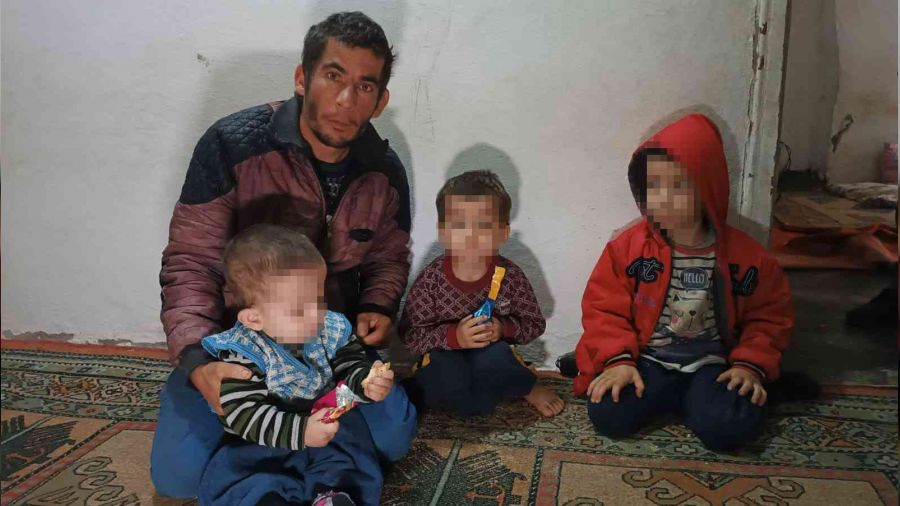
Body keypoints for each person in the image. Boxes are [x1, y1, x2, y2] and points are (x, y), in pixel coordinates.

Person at [151, 12, 416, 499]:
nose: (345, 100)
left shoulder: (385, 170)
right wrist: (198, 360)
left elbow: (389, 257)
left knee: (395, 438)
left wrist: (377, 306)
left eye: (364, 86)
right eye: (333, 76)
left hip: (328, 341)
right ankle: (266, 441)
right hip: (240, 340)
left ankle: (305, 449)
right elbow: (191, 261)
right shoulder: (232, 144)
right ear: (302, 78)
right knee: (177, 480)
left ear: (380, 101)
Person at [573, 114, 794, 451]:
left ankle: (699, 400)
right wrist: (618, 361)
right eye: (653, 185)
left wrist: (750, 365)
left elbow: (769, 317)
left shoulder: (748, 257)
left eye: (678, 185)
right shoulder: (627, 249)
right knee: (607, 413)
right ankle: (680, 399)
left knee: (731, 427)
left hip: (711, 365)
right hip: (648, 360)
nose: (662, 198)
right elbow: (603, 310)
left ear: (707, 186)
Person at [194, 224, 393, 505]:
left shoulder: (329, 328)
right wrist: (300, 432)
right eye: (299, 310)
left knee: (347, 458)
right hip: (265, 436)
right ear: (254, 319)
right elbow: (243, 414)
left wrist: (365, 382)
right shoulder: (244, 353)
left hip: (325, 421)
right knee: (250, 476)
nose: (315, 315)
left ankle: (332, 497)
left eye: (319, 301)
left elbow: (350, 362)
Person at [400, 170, 565, 417]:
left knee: (497, 358)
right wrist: (454, 336)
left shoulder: (510, 276)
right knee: (449, 387)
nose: (471, 236)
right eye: (459, 225)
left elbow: (534, 324)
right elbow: (410, 335)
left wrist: (502, 329)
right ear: (442, 232)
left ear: (503, 233)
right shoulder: (432, 280)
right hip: (445, 355)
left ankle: (528, 386)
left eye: (484, 226)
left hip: (491, 353)